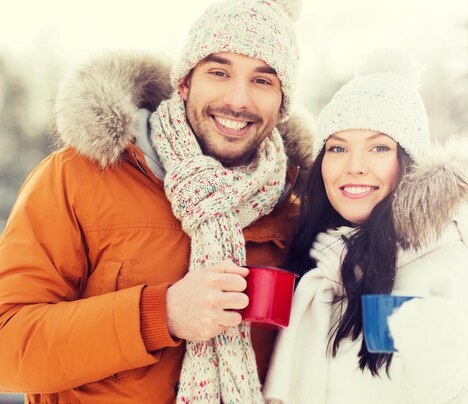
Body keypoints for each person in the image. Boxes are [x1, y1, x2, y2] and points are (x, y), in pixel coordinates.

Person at [0, 0, 313, 402]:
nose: (238, 100)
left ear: (282, 104)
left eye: (263, 81)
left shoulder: (294, 207)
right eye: (219, 72)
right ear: (183, 83)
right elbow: (8, 347)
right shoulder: (78, 177)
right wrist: (159, 314)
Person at [263, 50, 468, 403]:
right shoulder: (318, 271)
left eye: (378, 147)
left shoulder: (456, 270)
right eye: (338, 148)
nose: (355, 166)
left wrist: (441, 381)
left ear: (408, 162)